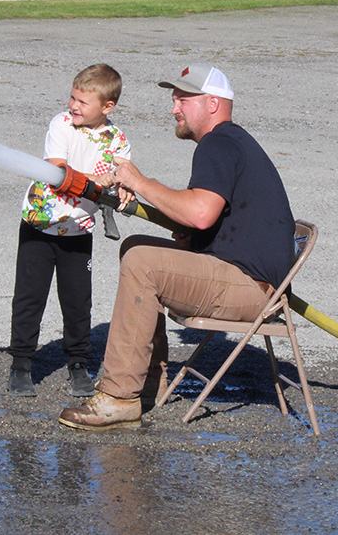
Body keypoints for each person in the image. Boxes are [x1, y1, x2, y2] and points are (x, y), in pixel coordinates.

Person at [59, 64, 296, 430]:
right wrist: (195, 239)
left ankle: (119, 397)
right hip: (246, 277)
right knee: (137, 246)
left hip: (253, 289)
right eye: (174, 100)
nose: (174, 109)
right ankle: (150, 379)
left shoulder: (219, 143)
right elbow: (218, 218)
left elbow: (201, 213)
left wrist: (139, 181)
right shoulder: (229, 143)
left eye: (183, 100)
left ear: (213, 104)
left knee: (143, 262)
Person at [8, 63, 132, 397]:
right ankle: (21, 366)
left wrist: (121, 187)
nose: (74, 106)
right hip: (40, 223)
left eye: (82, 102)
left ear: (107, 107)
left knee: (78, 301)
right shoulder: (61, 124)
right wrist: (95, 182)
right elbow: (58, 169)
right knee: (29, 297)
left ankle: (78, 364)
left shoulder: (117, 140)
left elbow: (124, 174)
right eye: (72, 97)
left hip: (79, 230)